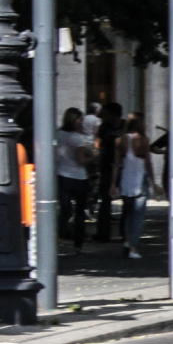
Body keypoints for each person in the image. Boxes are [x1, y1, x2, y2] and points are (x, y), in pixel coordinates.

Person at [113, 115, 158, 259]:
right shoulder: (144, 141)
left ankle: (127, 240)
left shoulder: (120, 141)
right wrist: (153, 182)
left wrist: (113, 184)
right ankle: (133, 248)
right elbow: (148, 163)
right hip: (139, 181)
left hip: (125, 181)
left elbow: (116, 165)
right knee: (138, 216)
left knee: (127, 213)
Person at [55, 107, 95, 253]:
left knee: (65, 211)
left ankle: (54, 237)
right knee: (79, 212)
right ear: (74, 120)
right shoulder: (77, 138)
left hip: (62, 175)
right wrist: (93, 156)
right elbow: (81, 160)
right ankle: (78, 244)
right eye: (80, 119)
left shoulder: (58, 134)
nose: (82, 122)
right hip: (78, 177)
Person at [93, 102, 124, 241]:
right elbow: (98, 144)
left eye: (106, 114)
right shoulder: (104, 127)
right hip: (107, 166)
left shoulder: (125, 126)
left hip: (123, 166)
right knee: (105, 199)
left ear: (114, 114)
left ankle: (126, 233)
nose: (103, 117)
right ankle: (103, 233)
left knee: (127, 199)